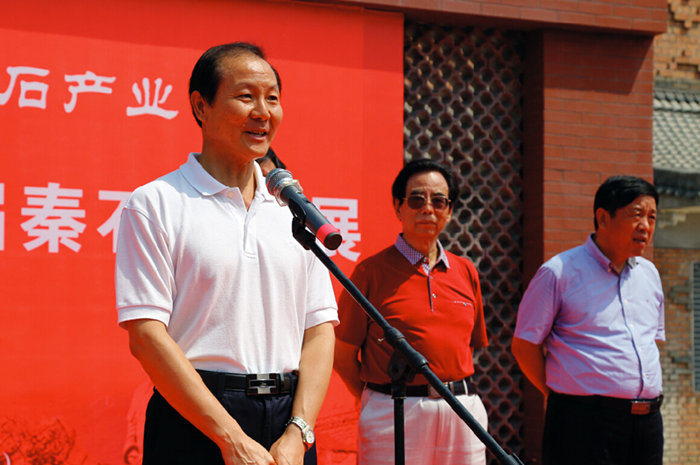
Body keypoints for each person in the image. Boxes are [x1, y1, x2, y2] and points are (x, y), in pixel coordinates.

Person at [115, 42, 338, 465]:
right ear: (201, 106)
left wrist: (299, 432)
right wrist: (230, 438)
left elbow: (319, 329)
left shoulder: (291, 210)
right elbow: (146, 335)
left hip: (287, 424)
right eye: (246, 96)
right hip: (195, 421)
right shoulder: (157, 203)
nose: (263, 112)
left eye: (272, 98)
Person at [334, 159, 489, 465]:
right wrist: (379, 396)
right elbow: (342, 355)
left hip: (462, 411)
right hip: (394, 412)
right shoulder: (370, 272)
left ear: (450, 210)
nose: (428, 209)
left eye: (439, 201)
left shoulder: (466, 271)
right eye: (417, 200)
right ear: (398, 207)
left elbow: (468, 347)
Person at [512, 175, 664, 465]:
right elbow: (524, 346)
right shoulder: (559, 272)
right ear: (603, 218)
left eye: (652, 217)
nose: (645, 226)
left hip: (647, 424)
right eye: (636, 215)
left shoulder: (650, 275)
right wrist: (562, 395)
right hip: (582, 423)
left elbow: (651, 343)